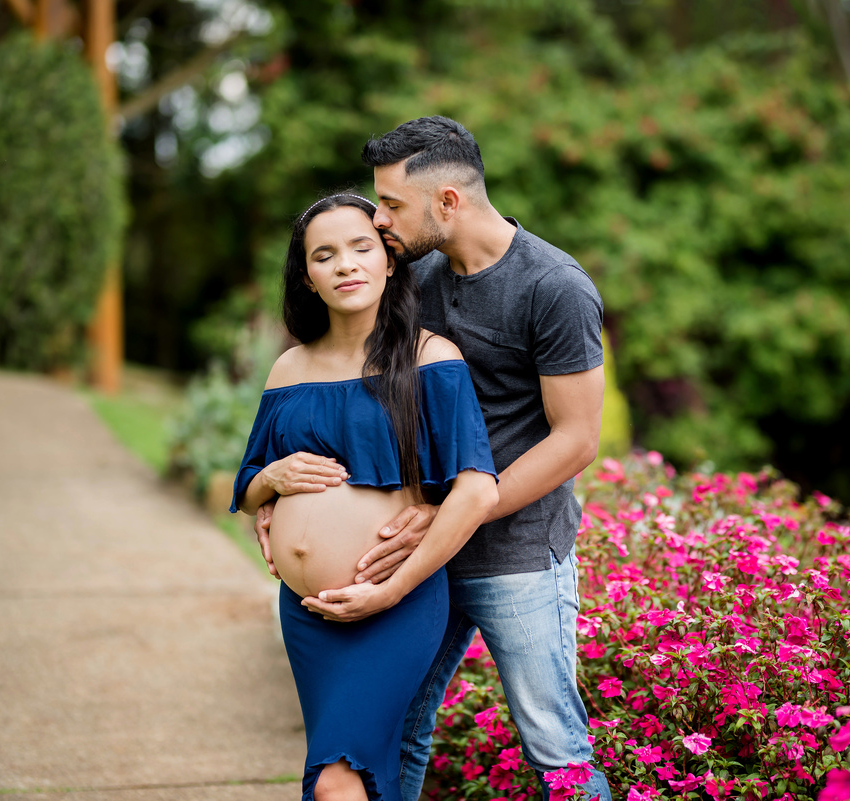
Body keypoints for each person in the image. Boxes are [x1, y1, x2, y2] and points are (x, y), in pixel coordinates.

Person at [254, 117, 612, 801]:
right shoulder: (415, 276)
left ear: (445, 201)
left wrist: (455, 509)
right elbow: (346, 381)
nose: (379, 221)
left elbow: (576, 441)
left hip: (516, 552)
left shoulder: (553, 286)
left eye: (390, 205)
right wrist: (279, 490)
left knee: (553, 744)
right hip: (419, 561)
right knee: (399, 731)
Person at [230, 192, 499, 801]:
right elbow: (245, 489)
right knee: (359, 781)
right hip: (308, 615)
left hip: (394, 604)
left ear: (389, 262)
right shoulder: (289, 370)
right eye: (325, 255)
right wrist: (272, 480)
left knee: (337, 782)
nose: (346, 264)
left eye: (361, 247)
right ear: (308, 276)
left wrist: (390, 590)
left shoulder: (431, 358)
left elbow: (476, 490)